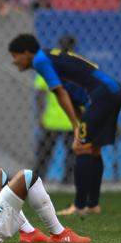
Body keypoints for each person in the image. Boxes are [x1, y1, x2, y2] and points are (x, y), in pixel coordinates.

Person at [8, 34, 121, 216]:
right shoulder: (51, 58)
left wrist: (75, 126)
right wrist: (81, 120)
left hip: (101, 96)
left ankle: (79, 206)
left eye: (15, 55)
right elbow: (73, 94)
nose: (13, 61)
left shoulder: (40, 60)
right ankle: (92, 205)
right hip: (113, 91)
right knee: (93, 149)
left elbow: (60, 93)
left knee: (81, 148)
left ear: (27, 53)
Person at [34, 35, 78, 183]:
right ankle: (67, 182)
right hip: (71, 119)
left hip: (52, 119)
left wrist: (40, 115)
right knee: (72, 154)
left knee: (44, 154)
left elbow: (40, 94)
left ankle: (37, 181)